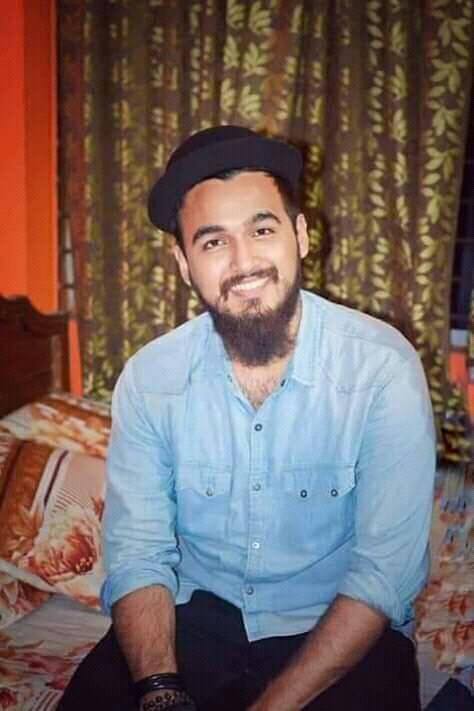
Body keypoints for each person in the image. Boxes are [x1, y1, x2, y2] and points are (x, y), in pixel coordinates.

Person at [59, 126, 436, 711]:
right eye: (213, 242)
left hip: (336, 624)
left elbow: (383, 576)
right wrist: (159, 688)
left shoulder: (382, 368)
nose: (244, 262)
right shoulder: (150, 379)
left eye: (262, 230)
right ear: (184, 263)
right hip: (192, 620)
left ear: (300, 236)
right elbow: (138, 552)